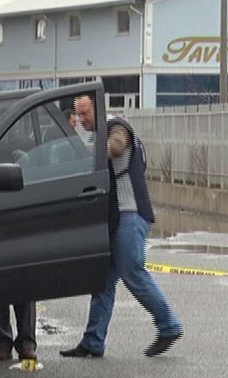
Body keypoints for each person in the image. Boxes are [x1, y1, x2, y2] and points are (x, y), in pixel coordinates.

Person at [60, 95, 182, 358]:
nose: (81, 120)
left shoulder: (117, 126)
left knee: (133, 274)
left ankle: (169, 324)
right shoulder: (105, 131)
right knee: (103, 282)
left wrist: (78, 154)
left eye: (85, 114)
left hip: (131, 215)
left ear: (98, 107)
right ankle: (93, 340)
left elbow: (114, 148)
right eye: (78, 115)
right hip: (120, 219)